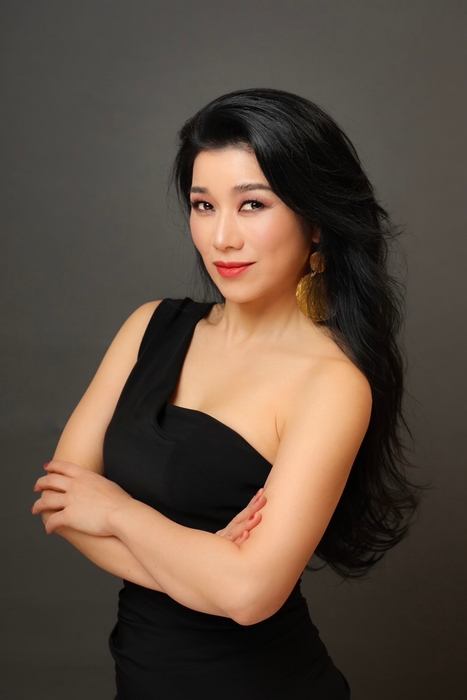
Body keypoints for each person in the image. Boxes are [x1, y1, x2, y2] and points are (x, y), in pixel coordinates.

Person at [32, 88, 419, 699]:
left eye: (253, 204)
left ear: (316, 221)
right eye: (203, 205)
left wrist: (117, 513)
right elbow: (61, 500)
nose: (221, 237)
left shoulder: (331, 383)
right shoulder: (149, 328)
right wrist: (207, 566)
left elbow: (250, 595)